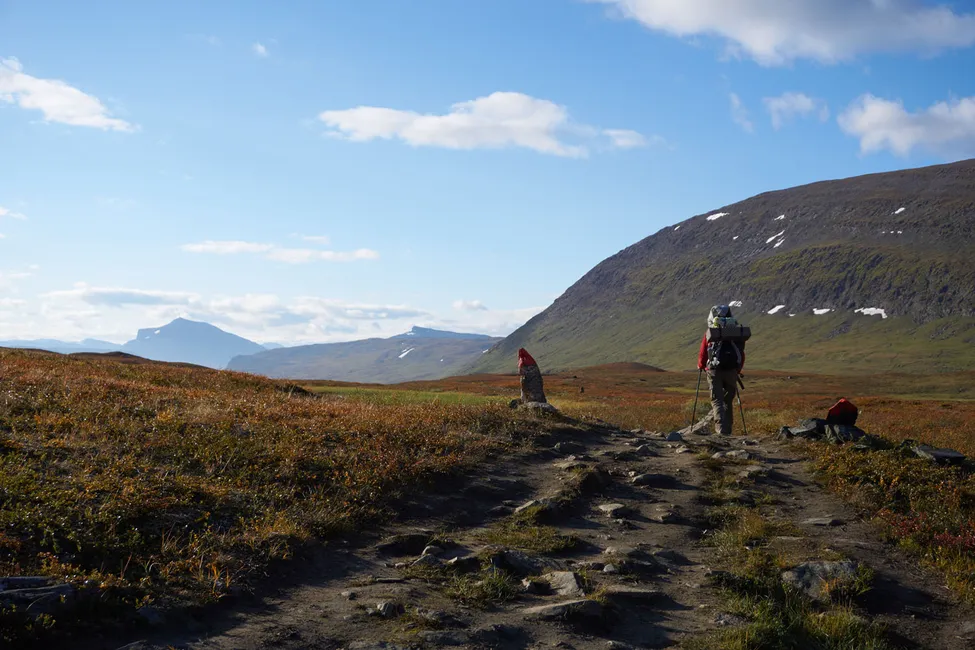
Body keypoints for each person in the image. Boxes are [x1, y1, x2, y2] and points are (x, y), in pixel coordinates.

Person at [697, 305, 745, 435]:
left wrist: (701, 365)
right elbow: (741, 352)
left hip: (714, 371)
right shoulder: (735, 332)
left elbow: (703, 353)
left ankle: (721, 430)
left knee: (717, 400)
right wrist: (737, 369)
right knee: (728, 400)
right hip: (732, 371)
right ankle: (728, 429)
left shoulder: (711, 332)